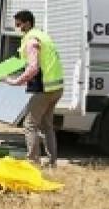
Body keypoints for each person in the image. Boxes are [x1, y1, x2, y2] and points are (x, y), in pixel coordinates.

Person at [4, 10, 65, 168]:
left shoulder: (32, 40)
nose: (18, 28)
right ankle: (52, 162)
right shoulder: (43, 36)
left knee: (30, 124)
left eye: (19, 24)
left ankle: (32, 162)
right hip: (56, 87)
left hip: (44, 89)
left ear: (27, 23)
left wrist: (15, 81)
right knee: (47, 125)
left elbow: (33, 68)